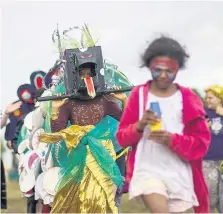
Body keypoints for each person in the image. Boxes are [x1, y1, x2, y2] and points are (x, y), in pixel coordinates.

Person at [116, 36, 211, 213]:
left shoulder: (188, 99)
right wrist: (139, 125)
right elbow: (121, 137)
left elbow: (201, 145)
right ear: (148, 66)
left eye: (169, 71)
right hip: (148, 170)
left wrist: (172, 140)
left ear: (178, 69)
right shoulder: (140, 95)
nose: (162, 75)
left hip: (180, 173)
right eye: (157, 70)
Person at [39, 59, 128, 213]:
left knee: (106, 193)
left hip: (103, 155)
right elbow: (58, 132)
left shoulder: (104, 100)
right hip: (79, 155)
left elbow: (126, 121)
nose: (86, 77)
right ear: (75, 77)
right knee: (80, 196)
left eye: (89, 74)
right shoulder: (68, 102)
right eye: (82, 74)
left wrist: (123, 100)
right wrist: (55, 108)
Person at [203, 85, 223, 212]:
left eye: (210, 98)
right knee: (208, 200)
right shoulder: (204, 113)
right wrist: (203, 128)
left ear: (220, 99)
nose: (207, 100)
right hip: (207, 162)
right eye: (206, 98)